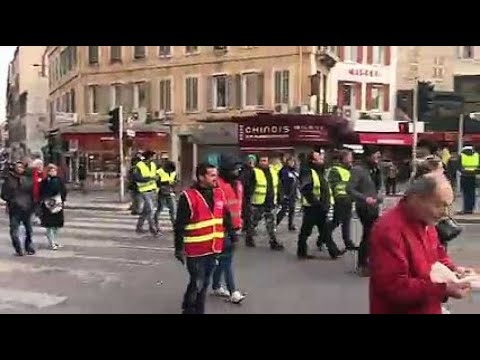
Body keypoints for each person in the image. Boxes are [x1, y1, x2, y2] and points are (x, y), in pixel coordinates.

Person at [369, 174, 472, 314]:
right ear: (417, 199)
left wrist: (455, 271)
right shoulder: (389, 229)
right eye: (440, 205)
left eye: (448, 206)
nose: (446, 213)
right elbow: (394, 287)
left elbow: (438, 255)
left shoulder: (426, 221)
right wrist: (443, 289)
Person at [174, 162, 235, 314]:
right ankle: (191, 310)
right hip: (196, 250)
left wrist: (232, 234)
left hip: (214, 247)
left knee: (203, 282)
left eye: (216, 175)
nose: (216, 178)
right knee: (198, 282)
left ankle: (192, 307)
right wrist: (179, 249)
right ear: (201, 177)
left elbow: (224, 216)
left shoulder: (218, 193)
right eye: (212, 175)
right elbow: (179, 225)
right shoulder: (188, 197)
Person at [212, 155, 246, 304]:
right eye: (234, 168)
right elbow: (220, 209)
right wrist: (230, 229)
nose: (237, 171)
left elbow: (239, 206)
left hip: (235, 225)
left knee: (224, 258)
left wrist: (241, 223)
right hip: (222, 227)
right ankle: (233, 291)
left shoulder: (238, 184)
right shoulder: (217, 185)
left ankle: (216, 285)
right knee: (227, 258)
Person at [297, 150, 342, 259]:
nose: (322, 160)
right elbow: (306, 189)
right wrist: (316, 203)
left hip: (321, 206)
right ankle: (301, 252)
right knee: (306, 230)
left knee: (325, 230)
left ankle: (334, 251)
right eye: (319, 159)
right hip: (312, 207)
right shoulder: (307, 171)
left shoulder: (320, 171)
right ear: (312, 160)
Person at [346, 146, 382, 277]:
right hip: (364, 207)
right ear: (368, 156)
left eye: (379, 156)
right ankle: (363, 264)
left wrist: (379, 196)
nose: (378, 159)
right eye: (375, 156)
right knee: (368, 235)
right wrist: (365, 198)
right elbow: (350, 189)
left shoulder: (375, 169)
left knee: (372, 235)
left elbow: (377, 186)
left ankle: (368, 262)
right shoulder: (358, 170)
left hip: (374, 206)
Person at [244, 154, 284, 250]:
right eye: (262, 160)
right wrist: (248, 199)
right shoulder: (254, 172)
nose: (263, 162)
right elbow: (248, 186)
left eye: (265, 160)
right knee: (254, 222)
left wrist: (279, 198)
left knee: (271, 224)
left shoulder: (273, 171)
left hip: (270, 202)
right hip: (258, 203)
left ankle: (273, 241)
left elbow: (278, 185)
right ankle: (249, 237)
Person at [0, 161, 36, 256]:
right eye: (18, 167)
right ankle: (18, 248)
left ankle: (28, 246)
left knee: (29, 230)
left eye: (21, 167)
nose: (19, 169)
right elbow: (3, 194)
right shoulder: (9, 180)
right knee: (14, 230)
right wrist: (11, 200)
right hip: (14, 208)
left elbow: (32, 193)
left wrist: (34, 206)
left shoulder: (28, 179)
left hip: (27, 208)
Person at [327, 149, 357, 251]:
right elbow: (333, 185)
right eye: (349, 157)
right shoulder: (335, 170)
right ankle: (323, 236)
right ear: (343, 158)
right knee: (336, 221)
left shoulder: (349, 169)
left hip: (348, 199)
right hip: (340, 199)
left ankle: (348, 242)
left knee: (346, 222)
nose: (351, 159)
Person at [39, 164, 67, 250]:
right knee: (50, 225)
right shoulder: (45, 181)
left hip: (57, 204)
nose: (53, 172)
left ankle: (54, 240)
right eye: (51, 170)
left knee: (57, 225)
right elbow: (42, 192)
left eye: (54, 170)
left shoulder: (59, 180)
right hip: (48, 205)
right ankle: (51, 242)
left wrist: (62, 199)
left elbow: (63, 190)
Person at [131, 150, 159, 235]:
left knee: (146, 210)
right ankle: (153, 229)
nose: (154, 159)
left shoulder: (153, 165)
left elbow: (155, 174)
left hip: (153, 190)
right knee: (150, 210)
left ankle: (139, 227)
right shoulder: (139, 165)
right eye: (153, 157)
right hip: (144, 190)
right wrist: (150, 179)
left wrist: (157, 178)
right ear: (149, 157)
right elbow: (136, 178)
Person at [277, 155, 298, 231]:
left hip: (293, 194)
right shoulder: (284, 171)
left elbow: (296, 182)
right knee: (284, 209)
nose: (292, 163)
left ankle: (291, 224)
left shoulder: (294, 171)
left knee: (292, 209)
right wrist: (284, 194)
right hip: (286, 193)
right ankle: (276, 223)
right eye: (290, 161)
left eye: (293, 161)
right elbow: (283, 183)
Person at [155, 159, 177, 229]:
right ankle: (155, 224)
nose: (171, 171)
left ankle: (175, 226)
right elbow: (155, 182)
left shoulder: (174, 173)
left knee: (173, 209)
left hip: (170, 192)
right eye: (169, 170)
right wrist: (165, 183)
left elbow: (175, 181)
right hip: (161, 193)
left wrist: (174, 184)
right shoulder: (159, 172)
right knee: (160, 209)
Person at [459, 145, 479, 214]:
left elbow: (458, 165)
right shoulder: (476, 155)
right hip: (473, 176)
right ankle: (471, 209)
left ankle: (466, 209)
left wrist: (461, 171)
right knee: (472, 193)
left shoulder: (462, 155)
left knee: (465, 193)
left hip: (464, 175)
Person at [240, 154, 257, 235]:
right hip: (243, 194)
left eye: (252, 161)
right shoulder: (243, 170)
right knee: (246, 212)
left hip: (248, 194)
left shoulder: (253, 171)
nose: (251, 162)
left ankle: (248, 228)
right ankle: (247, 228)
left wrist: (251, 191)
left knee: (249, 212)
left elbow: (254, 182)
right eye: (249, 160)